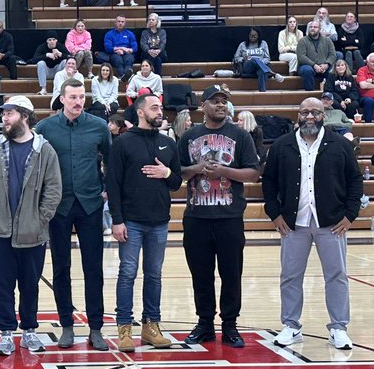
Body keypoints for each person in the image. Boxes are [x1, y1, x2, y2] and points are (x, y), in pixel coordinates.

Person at [262, 97, 363, 351]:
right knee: (290, 276)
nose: (310, 117)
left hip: (331, 223)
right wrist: (274, 213)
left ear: (324, 115)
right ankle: (291, 326)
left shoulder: (339, 145)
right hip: (293, 223)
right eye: (305, 112)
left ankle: (339, 327)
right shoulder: (281, 145)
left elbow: (355, 181)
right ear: (298, 114)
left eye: (315, 112)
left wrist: (350, 215)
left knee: (337, 276)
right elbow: (269, 182)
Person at [177, 85, 262, 348]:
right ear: (203, 106)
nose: (221, 105)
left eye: (224, 101)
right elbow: (178, 172)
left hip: (229, 217)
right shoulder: (189, 136)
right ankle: (204, 324)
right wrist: (198, 168)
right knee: (200, 275)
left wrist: (224, 172)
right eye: (215, 101)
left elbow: (253, 173)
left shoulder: (240, 135)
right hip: (197, 217)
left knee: (231, 274)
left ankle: (230, 325)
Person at [0, 95, 61, 356]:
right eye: (4, 114)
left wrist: (39, 219)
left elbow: (54, 190)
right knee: (2, 284)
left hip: (32, 232)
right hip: (0, 230)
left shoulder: (44, 150)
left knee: (29, 284)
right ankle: (5, 333)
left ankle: (29, 331)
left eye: (9, 114)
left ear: (24, 116)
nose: (4, 119)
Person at [35, 78, 112, 350]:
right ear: (62, 98)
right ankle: (66, 325)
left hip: (90, 206)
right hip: (59, 208)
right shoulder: (44, 128)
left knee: (94, 269)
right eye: (73, 97)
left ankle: (96, 328)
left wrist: (105, 191)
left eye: (82, 97)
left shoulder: (99, 127)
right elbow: (36, 166)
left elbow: (111, 163)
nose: (78, 102)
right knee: (61, 269)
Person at [106, 92, 181, 352]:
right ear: (140, 112)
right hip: (131, 221)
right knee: (127, 273)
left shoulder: (168, 143)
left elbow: (176, 182)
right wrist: (117, 220)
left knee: (154, 274)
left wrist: (167, 172)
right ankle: (124, 328)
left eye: (160, 107)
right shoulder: (123, 143)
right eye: (154, 108)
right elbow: (112, 184)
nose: (160, 111)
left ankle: (151, 326)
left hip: (159, 221)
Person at [233, 28, 281, 92]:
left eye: (255, 36)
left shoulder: (263, 44)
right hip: (248, 66)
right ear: (248, 36)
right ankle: (272, 73)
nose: (253, 37)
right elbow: (236, 58)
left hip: (260, 66)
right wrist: (244, 59)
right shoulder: (243, 44)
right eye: (251, 36)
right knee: (253, 59)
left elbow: (267, 58)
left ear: (258, 36)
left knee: (262, 71)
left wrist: (260, 61)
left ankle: (262, 93)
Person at [298, 19, 336, 90]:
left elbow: (333, 54)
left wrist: (327, 64)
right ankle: (310, 93)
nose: (312, 28)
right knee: (307, 70)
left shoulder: (327, 40)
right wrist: (314, 65)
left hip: (324, 65)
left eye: (315, 27)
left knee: (333, 70)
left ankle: (329, 93)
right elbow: (301, 57)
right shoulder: (302, 41)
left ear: (319, 29)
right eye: (311, 27)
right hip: (308, 65)